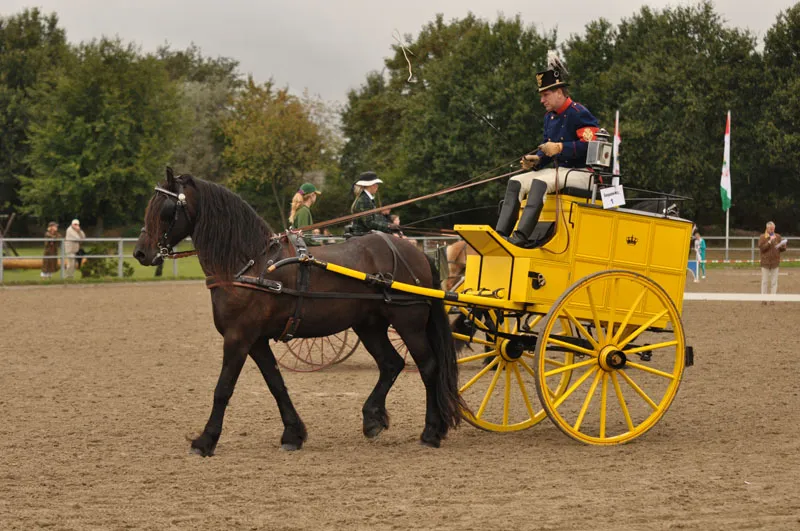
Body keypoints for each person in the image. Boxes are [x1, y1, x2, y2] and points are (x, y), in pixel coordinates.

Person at [496, 51, 600, 247]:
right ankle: (501, 235)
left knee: (541, 183)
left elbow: (592, 148)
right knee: (515, 181)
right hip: (557, 171)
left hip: (583, 173)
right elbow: (547, 150)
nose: (542, 100)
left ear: (559, 92)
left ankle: (520, 237)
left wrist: (561, 147)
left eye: (546, 95)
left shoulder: (579, 113)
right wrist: (537, 159)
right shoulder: (549, 117)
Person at [349, 172, 400, 236]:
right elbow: (369, 223)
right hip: (362, 234)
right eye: (376, 184)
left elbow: (374, 219)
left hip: (366, 233)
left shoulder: (366, 198)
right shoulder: (364, 200)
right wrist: (388, 226)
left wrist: (387, 225)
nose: (377, 186)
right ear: (371, 185)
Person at [758, 221, 787, 304]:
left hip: (775, 262)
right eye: (771, 229)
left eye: (773, 229)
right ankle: (763, 299)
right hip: (765, 263)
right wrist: (769, 242)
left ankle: (772, 299)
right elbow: (762, 248)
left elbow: (781, 249)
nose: (772, 230)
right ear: (767, 228)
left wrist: (783, 246)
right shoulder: (762, 237)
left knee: (774, 282)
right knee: (765, 281)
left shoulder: (778, 236)